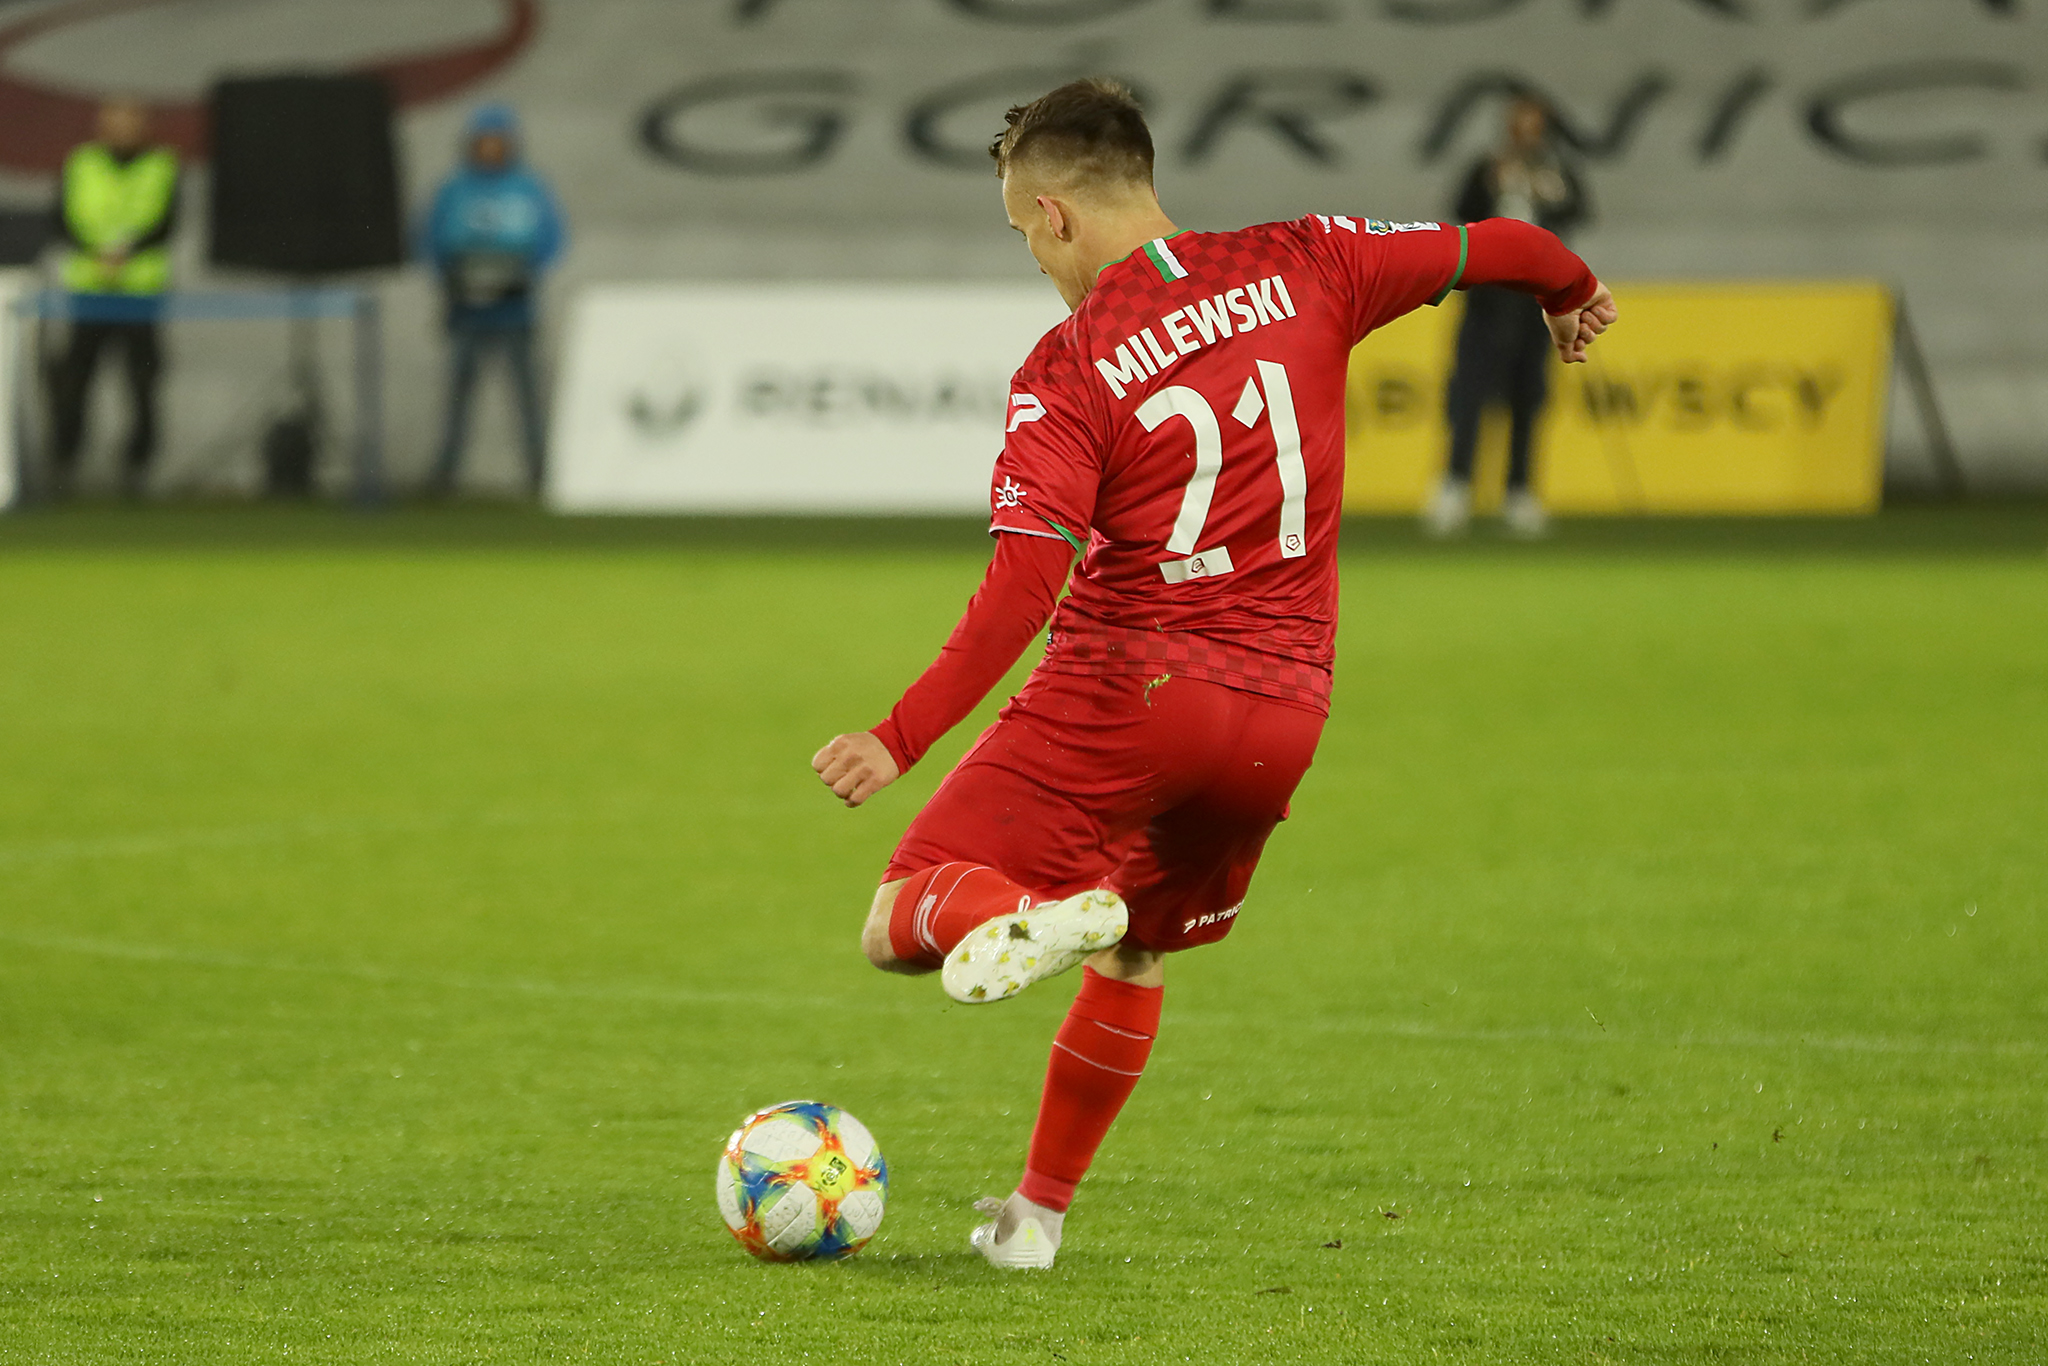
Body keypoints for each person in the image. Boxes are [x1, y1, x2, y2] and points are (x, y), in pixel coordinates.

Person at [809, 79, 1615, 1269]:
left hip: (1131, 687)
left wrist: (898, 734)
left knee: (898, 916)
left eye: (1023, 233)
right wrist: (1571, 290)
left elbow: (1026, 583)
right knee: (1133, 943)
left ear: (1055, 213)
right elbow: (1499, 243)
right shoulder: (1307, 258)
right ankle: (1033, 1219)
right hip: (1281, 717)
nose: (1034, 258)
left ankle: (1025, 916)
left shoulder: (1071, 362)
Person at [1424, 94, 1592, 538]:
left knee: (1527, 396)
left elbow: (1580, 210)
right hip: (1487, 298)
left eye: (1534, 126)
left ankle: (1519, 491)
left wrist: (1548, 194)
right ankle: (1455, 485)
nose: (1526, 134)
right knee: (1468, 394)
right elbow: (1460, 212)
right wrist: (1493, 186)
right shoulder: (1488, 167)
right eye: (1520, 125)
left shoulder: (1555, 171)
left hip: (1538, 303)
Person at [418, 104, 565, 497]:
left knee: (527, 396)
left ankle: (540, 475)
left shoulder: (527, 187)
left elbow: (551, 239)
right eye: (484, 141)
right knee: (458, 397)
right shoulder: (454, 189)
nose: (490, 148)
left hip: (515, 311)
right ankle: (445, 474)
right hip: (466, 311)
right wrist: (453, 278)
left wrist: (520, 273)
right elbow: (429, 239)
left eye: (497, 142)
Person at [47, 97, 178, 500]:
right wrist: (97, 252)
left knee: (142, 382)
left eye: (130, 121)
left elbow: (168, 223)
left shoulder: (161, 165)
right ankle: (63, 467)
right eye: (115, 122)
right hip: (89, 292)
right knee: (74, 382)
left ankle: (137, 471)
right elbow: (61, 219)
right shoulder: (81, 163)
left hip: (140, 293)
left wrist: (127, 251)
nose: (122, 130)